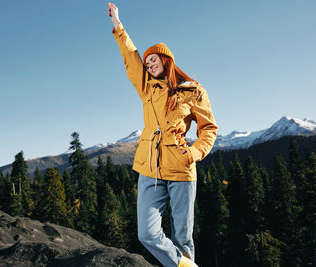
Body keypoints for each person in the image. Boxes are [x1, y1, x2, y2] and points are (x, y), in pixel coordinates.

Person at [108, 3, 218, 267]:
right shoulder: (147, 88)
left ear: (166, 60)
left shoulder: (193, 92)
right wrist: (118, 25)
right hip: (150, 167)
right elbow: (131, 57)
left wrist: (193, 153)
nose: (148, 64)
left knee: (183, 238)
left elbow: (209, 129)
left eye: (153, 59)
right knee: (147, 233)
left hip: (181, 167)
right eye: (147, 62)